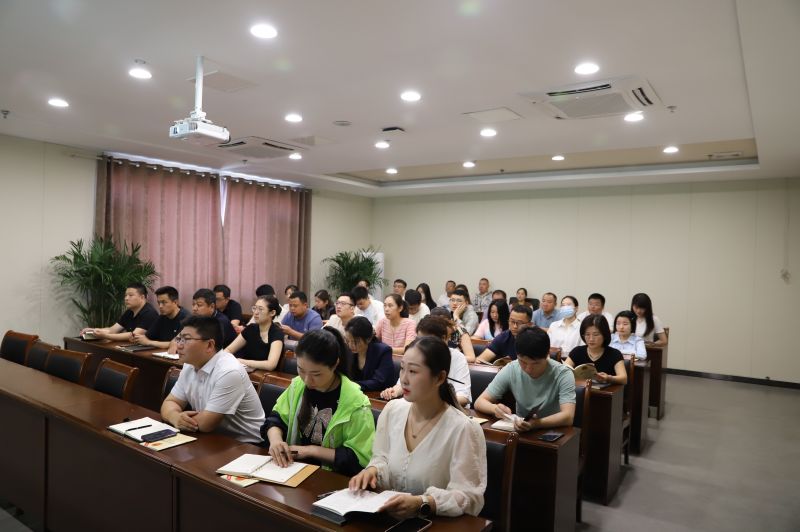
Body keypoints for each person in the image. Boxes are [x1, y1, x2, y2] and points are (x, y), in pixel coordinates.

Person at [350, 336, 486, 519]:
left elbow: (469, 497)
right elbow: (381, 458)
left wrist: (424, 502)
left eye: (413, 371)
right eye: (402, 368)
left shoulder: (463, 429)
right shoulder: (392, 411)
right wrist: (372, 471)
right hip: (387, 516)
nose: (404, 379)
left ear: (440, 378)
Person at [263, 328, 375, 476]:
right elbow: (276, 419)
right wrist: (276, 441)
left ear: (335, 364)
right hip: (292, 469)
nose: (307, 380)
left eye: (316, 374)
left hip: (331, 477)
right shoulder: (298, 386)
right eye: (301, 370)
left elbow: (359, 459)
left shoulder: (355, 403)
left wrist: (312, 451)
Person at [161, 316, 265, 443]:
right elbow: (170, 402)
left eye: (186, 339)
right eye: (179, 339)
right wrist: (174, 417)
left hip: (247, 444)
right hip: (211, 438)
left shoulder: (229, 371)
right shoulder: (190, 364)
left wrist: (179, 418)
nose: (179, 345)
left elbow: (206, 424)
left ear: (209, 345)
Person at [474, 327, 576, 431]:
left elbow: (568, 416)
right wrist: (495, 409)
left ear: (547, 355)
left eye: (535, 363)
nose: (528, 369)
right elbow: (479, 402)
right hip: (521, 430)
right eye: (523, 362)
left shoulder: (563, 374)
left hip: (553, 431)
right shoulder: (512, 368)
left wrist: (536, 424)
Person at [381, 316, 471, 406]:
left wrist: (430, 402)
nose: (421, 345)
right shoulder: (416, 354)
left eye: (427, 341)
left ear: (443, 339)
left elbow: (463, 397)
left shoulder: (458, 358)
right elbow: (402, 384)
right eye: (419, 340)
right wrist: (394, 391)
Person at [80, 282, 158, 341]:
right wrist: (94, 330)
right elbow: (113, 330)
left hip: (148, 350)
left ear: (142, 297)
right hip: (132, 347)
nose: (126, 298)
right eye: (125, 295)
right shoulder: (129, 312)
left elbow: (134, 335)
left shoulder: (149, 313)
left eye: (130, 295)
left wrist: (105, 336)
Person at [225, 295, 285, 370]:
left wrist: (241, 361)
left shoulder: (276, 333)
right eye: (254, 308)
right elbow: (229, 350)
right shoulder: (250, 328)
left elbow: (271, 365)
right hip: (245, 371)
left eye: (260, 309)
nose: (256, 312)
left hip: (265, 375)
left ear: (272, 313)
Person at [565, 315, 627, 385]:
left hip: (604, 391)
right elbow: (563, 371)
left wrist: (608, 378)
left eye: (596, 334)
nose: (591, 339)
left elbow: (624, 379)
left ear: (604, 335)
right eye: (587, 334)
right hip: (579, 390)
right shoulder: (577, 351)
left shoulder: (615, 354)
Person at [344, 316, 395, 391]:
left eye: (356, 342)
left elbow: (378, 382)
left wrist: (351, 385)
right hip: (356, 393)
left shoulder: (383, 351)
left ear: (368, 339)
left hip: (378, 394)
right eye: (348, 341)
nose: (351, 345)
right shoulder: (348, 350)